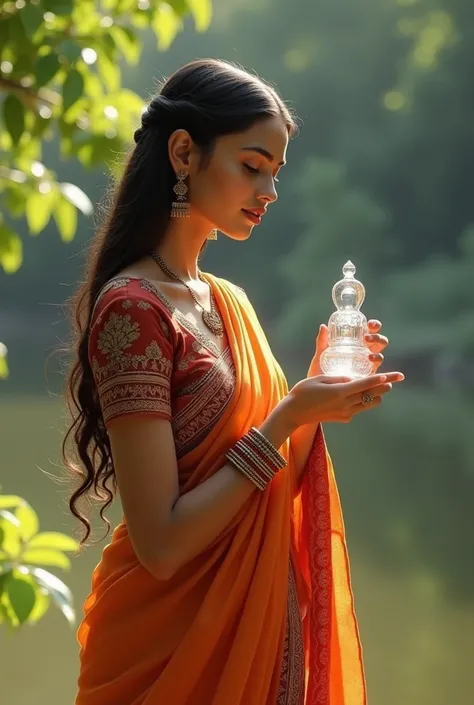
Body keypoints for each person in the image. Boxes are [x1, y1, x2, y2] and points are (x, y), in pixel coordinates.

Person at [63, 58, 404, 705]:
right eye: (252, 166)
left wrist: (312, 400)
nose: (268, 190)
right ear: (185, 152)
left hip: (256, 642)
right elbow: (162, 543)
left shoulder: (230, 303)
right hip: (164, 655)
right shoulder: (134, 309)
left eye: (275, 173)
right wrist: (284, 417)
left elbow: (268, 477)